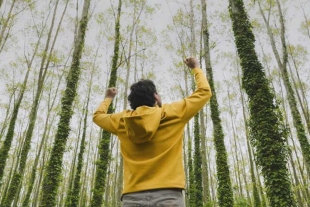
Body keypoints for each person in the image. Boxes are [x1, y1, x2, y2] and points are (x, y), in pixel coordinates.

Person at [93, 57, 212, 207]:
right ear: (155, 96)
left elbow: (97, 117)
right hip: (169, 195)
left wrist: (108, 98)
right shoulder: (173, 112)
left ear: (133, 102)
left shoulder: (122, 120)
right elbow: (204, 92)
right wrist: (195, 67)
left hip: (132, 196)